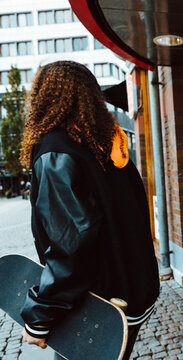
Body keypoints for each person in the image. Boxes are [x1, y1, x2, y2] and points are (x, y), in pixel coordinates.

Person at [18, 61, 160, 359]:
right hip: (132, 294)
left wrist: (40, 317)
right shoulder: (110, 146)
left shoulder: (57, 151)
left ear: (44, 97)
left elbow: (71, 242)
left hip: (96, 302)